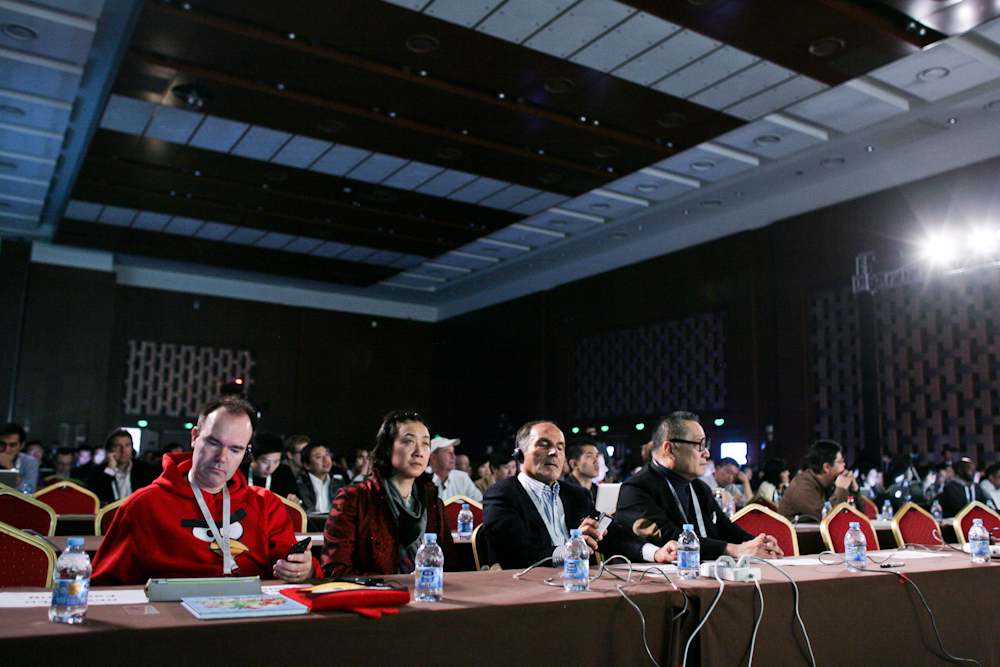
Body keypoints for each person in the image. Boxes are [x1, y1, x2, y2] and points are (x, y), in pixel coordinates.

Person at [91, 396, 316, 585]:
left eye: (235, 449)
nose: (222, 458)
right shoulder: (144, 505)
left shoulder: (265, 504)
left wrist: (303, 570)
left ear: (246, 452)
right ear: (194, 437)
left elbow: (291, 561)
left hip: (250, 615)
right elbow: (104, 583)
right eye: (213, 443)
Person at [483, 420, 677, 569]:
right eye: (543, 445)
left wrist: (655, 552)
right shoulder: (501, 494)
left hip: (577, 585)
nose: (554, 452)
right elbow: (515, 553)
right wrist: (570, 551)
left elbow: (611, 534)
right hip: (528, 593)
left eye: (560, 447)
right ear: (519, 454)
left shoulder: (576, 495)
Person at [616, 412, 783, 561]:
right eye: (699, 445)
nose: (707, 453)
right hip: (655, 582)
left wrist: (758, 544)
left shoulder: (698, 487)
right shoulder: (636, 488)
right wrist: (734, 550)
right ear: (670, 450)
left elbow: (727, 528)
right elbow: (671, 538)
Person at [321, 409, 457, 576]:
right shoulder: (354, 499)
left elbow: (450, 567)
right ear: (387, 447)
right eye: (409, 441)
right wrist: (390, 587)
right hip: (375, 598)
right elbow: (335, 570)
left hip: (427, 595)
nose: (419, 452)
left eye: (425, 444)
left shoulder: (433, 503)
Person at [778, 440, 862, 521]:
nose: (844, 465)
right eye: (840, 461)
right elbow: (829, 518)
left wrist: (854, 490)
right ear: (826, 467)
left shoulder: (828, 482)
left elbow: (858, 517)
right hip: (799, 534)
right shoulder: (802, 487)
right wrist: (841, 488)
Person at [86, 429, 159, 504]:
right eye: (118, 446)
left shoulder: (147, 470)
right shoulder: (96, 472)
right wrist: (110, 469)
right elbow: (95, 498)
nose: (123, 450)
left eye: (127, 445)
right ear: (109, 450)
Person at [245, 432, 299, 501]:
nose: (270, 468)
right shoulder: (241, 471)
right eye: (265, 462)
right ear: (252, 457)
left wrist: (296, 500)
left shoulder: (284, 472)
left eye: (276, 462)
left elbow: (299, 500)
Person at [295, 442, 345, 514]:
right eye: (319, 457)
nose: (325, 460)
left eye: (327, 455)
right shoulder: (300, 484)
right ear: (307, 465)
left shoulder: (338, 482)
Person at [428, 436, 482, 502]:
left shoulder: (462, 477)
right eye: (448, 452)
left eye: (453, 452)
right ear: (433, 457)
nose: (453, 456)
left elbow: (479, 502)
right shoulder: (420, 478)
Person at [0, 422, 40, 492]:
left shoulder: (29, 462)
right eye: (2, 444)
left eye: (12, 445)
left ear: (22, 445)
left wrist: (10, 466)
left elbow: (29, 492)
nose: (6, 450)